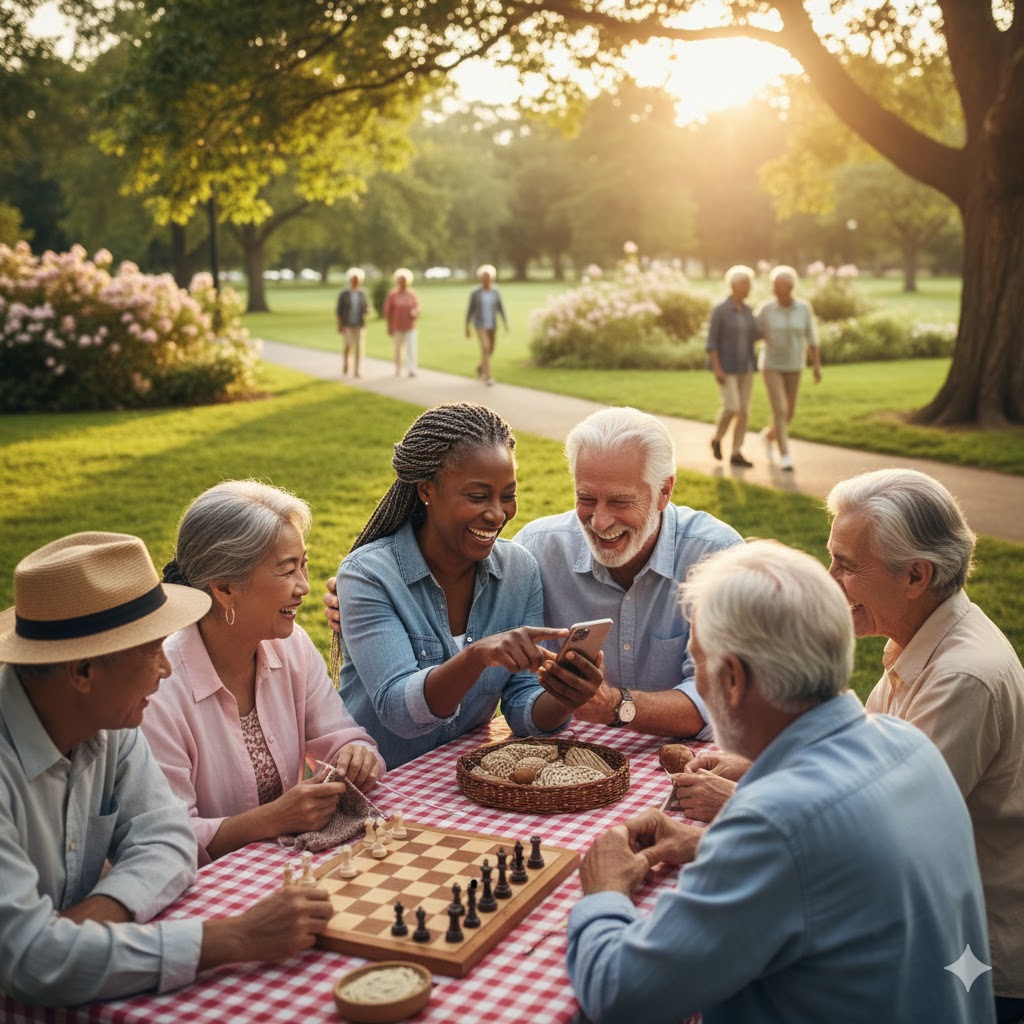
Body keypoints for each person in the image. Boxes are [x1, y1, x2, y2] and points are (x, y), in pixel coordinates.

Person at [567, 540, 993, 1024]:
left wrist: (603, 893)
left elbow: (623, 995)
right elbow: (831, 873)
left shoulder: (775, 825)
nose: (698, 684)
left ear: (732, 679)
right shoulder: (909, 745)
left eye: (697, 663)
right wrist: (713, 847)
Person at [674, 468, 1024, 1023]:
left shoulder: (962, 676)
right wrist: (757, 762)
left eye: (847, 565)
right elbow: (858, 757)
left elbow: (881, 833)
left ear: (915, 575)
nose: (829, 579)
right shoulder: (920, 639)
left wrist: (740, 808)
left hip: (972, 960)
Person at [0, 532, 333, 1007]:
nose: (166, 667)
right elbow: (32, 967)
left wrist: (86, 921)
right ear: (83, 671)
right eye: (151, 649)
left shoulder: (108, 718)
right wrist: (232, 939)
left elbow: (170, 838)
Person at [331, 403, 598, 769]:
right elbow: (398, 711)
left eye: (507, 496)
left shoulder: (519, 570)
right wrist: (476, 657)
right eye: (477, 496)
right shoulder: (369, 575)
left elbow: (522, 705)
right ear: (427, 490)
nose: (497, 513)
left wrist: (565, 696)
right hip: (377, 786)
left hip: (459, 785)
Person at [142, 481, 383, 866]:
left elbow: (340, 735)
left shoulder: (292, 645)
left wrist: (356, 753)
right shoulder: (159, 689)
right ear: (224, 588)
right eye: (288, 571)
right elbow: (165, 838)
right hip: (204, 890)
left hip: (287, 867)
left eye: (303, 563)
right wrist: (272, 819)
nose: (305, 586)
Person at [517, 407, 742, 739]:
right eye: (586, 498)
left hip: (684, 773)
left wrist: (611, 705)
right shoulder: (535, 551)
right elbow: (520, 706)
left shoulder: (717, 556)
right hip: (566, 773)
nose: (600, 521)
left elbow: (719, 704)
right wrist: (566, 693)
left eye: (620, 502)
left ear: (664, 492)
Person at [756, 265, 821, 471]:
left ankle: (768, 436)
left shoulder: (803, 308)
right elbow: (753, 332)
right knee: (780, 409)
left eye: (783, 285)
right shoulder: (766, 309)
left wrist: (817, 366)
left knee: (789, 412)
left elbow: (812, 337)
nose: (778, 289)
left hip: (795, 364)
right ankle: (785, 455)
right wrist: (763, 336)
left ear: (791, 286)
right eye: (775, 286)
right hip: (771, 364)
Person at [706, 265, 759, 467]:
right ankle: (717, 438)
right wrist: (717, 368)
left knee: (744, 411)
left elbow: (753, 335)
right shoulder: (720, 310)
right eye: (745, 284)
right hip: (726, 367)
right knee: (732, 407)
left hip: (745, 367)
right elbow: (712, 342)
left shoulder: (747, 311)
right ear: (734, 286)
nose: (748, 288)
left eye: (749, 284)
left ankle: (736, 452)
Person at [465, 263, 508, 386]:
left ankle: (480, 367)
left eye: (488, 278)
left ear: (492, 278)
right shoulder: (475, 293)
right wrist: (467, 326)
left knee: (491, 350)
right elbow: (470, 310)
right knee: (485, 347)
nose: (486, 280)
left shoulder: (496, 291)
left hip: (492, 325)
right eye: (484, 278)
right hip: (480, 324)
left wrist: (505, 322)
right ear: (481, 279)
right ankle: (488, 376)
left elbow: (501, 308)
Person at [382, 267, 420, 378]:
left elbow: (417, 308)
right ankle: (398, 368)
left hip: (410, 326)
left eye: (404, 280)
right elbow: (387, 312)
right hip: (397, 326)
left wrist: (415, 312)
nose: (402, 283)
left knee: (411, 348)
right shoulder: (392, 294)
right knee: (398, 349)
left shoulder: (411, 294)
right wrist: (389, 327)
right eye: (400, 280)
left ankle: (411, 369)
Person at [335, 266, 370, 378]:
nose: (355, 281)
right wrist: (340, 325)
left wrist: (367, 310)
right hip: (347, 324)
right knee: (348, 345)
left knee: (359, 348)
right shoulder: (344, 293)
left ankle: (357, 370)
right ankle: (346, 364)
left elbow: (366, 307)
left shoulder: (362, 293)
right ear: (350, 280)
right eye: (353, 279)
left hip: (359, 324)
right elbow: (339, 311)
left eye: (357, 279)